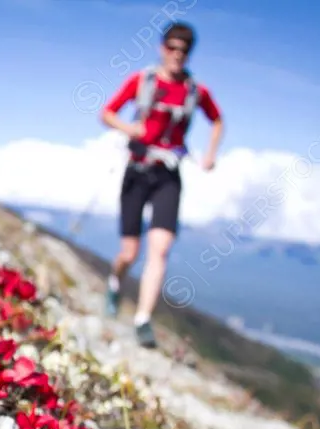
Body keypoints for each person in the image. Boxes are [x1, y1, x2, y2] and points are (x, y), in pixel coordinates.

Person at [100, 21, 223, 349]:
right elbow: (107, 113)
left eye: (183, 50)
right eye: (172, 48)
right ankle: (115, 282)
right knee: (130, 251)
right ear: (161, 47)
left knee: (161, 248)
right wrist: (130, 130)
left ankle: (142, 319)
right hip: (138, 170)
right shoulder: (142, 81)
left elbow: (218, 121)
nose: (177, 55)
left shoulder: (197, 92)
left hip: (169, 174)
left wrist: (210, 154)